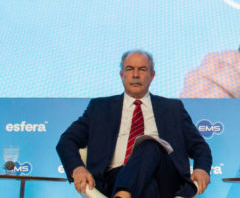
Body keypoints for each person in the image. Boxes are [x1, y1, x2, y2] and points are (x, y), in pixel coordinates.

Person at [57, 50, 211, 198]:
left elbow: (200, 147)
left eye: (142, 69)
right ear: (121, 75)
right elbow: (67, 141)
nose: (136, 75)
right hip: (112, 178)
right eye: (130, 69)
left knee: (150, 143)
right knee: (148, 186)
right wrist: (77, 168)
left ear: (152, 75)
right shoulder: (100, 108)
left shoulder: (173, 108)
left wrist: (201, 168)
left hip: (165, 177)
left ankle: (123, 195)